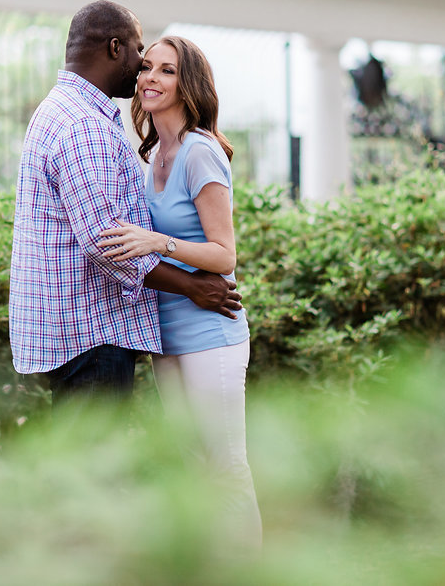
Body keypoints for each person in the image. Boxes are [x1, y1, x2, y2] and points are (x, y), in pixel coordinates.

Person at [9, 1, 242, 410]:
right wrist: (191, 286)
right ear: (115, 48)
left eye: (163, 68)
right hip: (92, 333)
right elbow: (107, 242)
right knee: (94, 467)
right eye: (139, 54)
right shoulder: (85, 126)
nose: (142, 70)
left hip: (90, 332)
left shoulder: (65, 110)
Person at [96, 35, 262, 546]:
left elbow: (224, 255)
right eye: (146, 67)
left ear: (187, 84)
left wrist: (156, 240)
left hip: (211, 333)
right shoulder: (153, 155)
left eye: (166, 71)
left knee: (225, 464)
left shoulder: (199, 152)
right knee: (192, 466)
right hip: (164, 335)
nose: (149, 78)